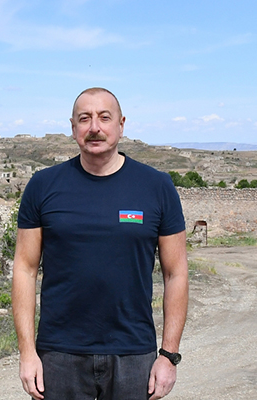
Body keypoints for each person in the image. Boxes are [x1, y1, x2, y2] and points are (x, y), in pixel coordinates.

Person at [12, 87, 188, 400]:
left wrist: (168, 355)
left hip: (133, 355)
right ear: (73, 127)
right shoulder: (43, 185)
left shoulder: (157, 186)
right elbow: (24, 269)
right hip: (59, 354)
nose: (94, 127)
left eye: (104, 117)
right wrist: (27, 353)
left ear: (121, 124)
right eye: (85, 119)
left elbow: (176, 274)